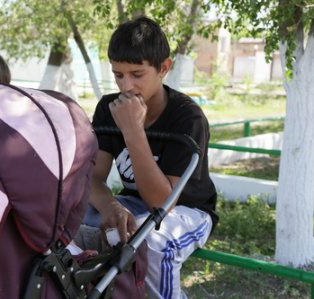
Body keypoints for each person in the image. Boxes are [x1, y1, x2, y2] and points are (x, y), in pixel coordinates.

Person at [79, 16, 218, 299]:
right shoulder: (108, 107)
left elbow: (161, 203)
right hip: (132, 202)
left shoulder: (187, 117)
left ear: (164, 68)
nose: (126, 86)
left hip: (188, 210)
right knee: (67, 218)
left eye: (137, 74)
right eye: (118, 75)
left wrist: (133, 131)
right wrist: (111, 206)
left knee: (153, 243)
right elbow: (93, 177)